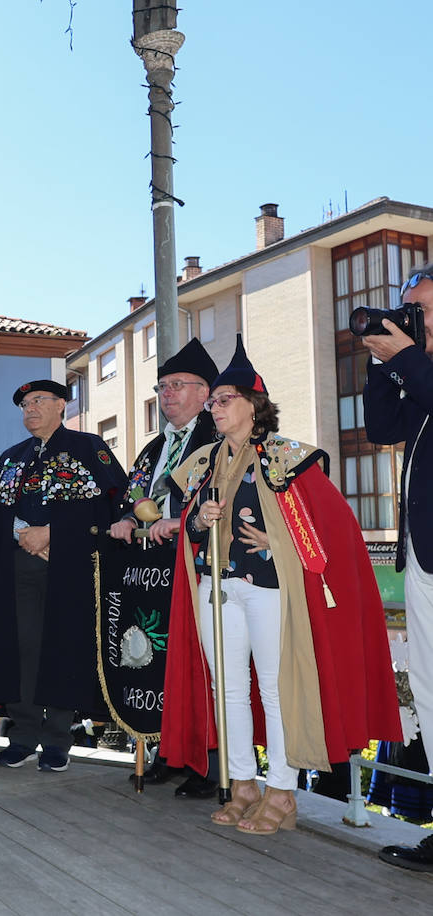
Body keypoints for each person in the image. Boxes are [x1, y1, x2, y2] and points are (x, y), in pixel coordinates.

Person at [159, 335, 401, 835]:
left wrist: (279, 539)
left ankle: (282, 790)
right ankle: (243, 781)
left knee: (275, 688)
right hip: (215, 586)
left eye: (226, 399)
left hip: (268, 588)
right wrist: (200, 521)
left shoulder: (288, 458)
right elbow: (189, 528)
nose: (216, 407)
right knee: (227, 690)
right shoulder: (204, 463)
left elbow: (329, 529)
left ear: (254, 406)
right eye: (214, 400)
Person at [0, 379, 128, 773]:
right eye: (25, 403)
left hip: (70, 569)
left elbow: (113, 505)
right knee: (23, 650)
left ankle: (58, 740)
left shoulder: (88, 448)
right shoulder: (12, 457)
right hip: (19, 567)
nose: (29, 408)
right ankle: (23, 736)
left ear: (61, 405)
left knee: (63, 648)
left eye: (38, 401)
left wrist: (54, 534)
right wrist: (22, 534)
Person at [109, 337, 219, 796]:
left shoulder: (216, 440)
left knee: (204, 666)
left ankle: (209, 765)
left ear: (205, 393)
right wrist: (126, 518)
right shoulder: (154, 448)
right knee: (160, 666)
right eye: (162, 386)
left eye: (177, 385)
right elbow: (135, 496)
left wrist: (178, 522)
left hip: (198, 568)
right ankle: (169, 752)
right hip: (153, 573)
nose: (166, 394)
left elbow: (217, 501)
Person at [361, 264, 433, 870]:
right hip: (421, 558)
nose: (417, 322)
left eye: (426, 311)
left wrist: (408, 358)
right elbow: (382, 427)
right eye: (411, 311)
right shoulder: (419, 376)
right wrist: (382, 363)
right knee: (431, 697)